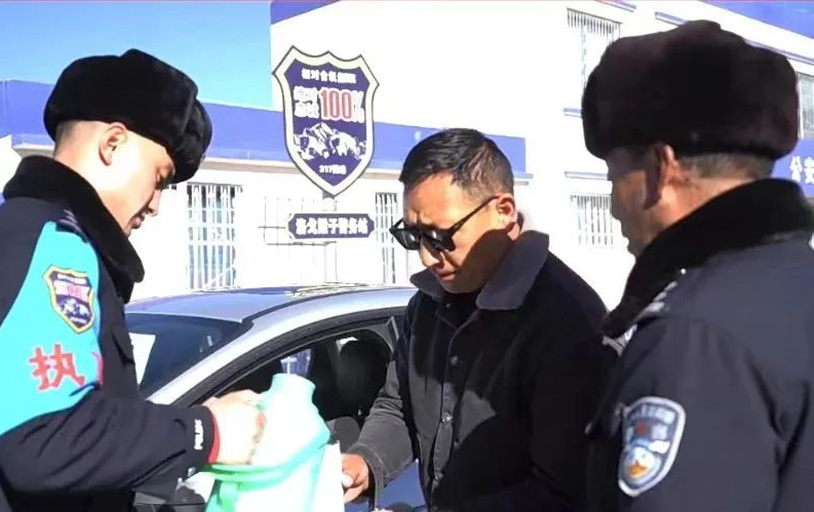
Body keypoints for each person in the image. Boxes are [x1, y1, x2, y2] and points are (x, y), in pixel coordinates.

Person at [0, 49, 265, 512]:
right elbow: (48, 436)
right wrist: (207, 432)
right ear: (113, 144)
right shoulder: (52, 244)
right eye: (160, 178)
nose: (156, 205)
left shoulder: (4, 234)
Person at [581, 20, 814, 511]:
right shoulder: (796, 282)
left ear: (659, 169)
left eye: (612, 176)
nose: (613, 206)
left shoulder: (694, 338)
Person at [341, 128, 613, 511]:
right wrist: (364, 461)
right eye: (414, 236)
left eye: (440, 236)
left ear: (503, 211)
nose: (426, 256)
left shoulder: (567, 321)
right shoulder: (426, 306)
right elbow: (398, 406)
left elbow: (565, 491)